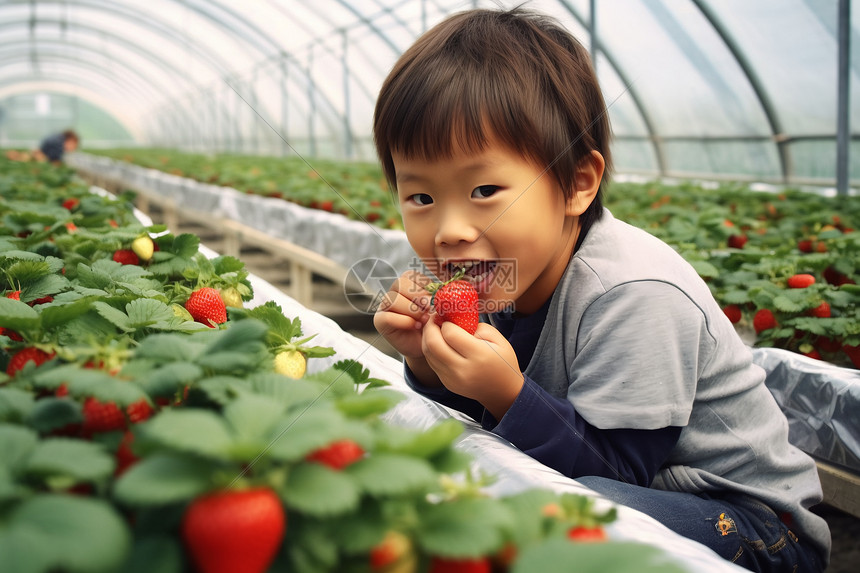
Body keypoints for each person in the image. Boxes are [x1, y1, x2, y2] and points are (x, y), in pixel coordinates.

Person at [371, 7, 830, 572]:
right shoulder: (503, 273)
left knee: (556, 518)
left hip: (752, 524)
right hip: (622, 490)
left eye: (485, 189)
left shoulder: (633, 293)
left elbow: (612, 471)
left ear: (577, 185)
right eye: (421, 198)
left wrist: (508, 396)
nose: (449, 230)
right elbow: (484, 424)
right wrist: (425, 361)